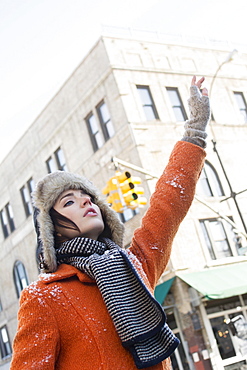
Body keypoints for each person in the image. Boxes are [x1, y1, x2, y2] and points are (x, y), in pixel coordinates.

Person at [10, 76, 210, 370]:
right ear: (53, 229)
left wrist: (195, 130)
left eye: (87, 196)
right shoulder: (43, 298)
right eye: (68, 202)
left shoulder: (135, 264)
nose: (85, 202)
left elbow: (168, 204)